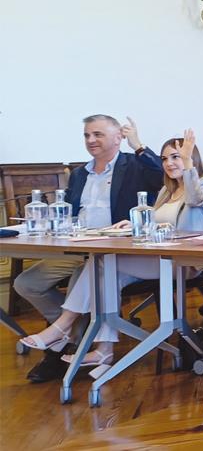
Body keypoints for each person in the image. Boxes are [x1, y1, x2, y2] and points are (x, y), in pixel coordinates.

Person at [20, 131, 203, 368]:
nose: (169, 163)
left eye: (176, 157)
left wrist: (187, 164)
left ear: (191, 158)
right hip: (157, 256)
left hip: (183, 261)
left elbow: (195, 200)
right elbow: (155, 222)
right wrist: (133, 224)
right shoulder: (167, 190)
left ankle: (63, 326)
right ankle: (104, 350)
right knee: (104, 273)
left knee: (103, 263)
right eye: (165, 159)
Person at [13, 114, 163, 383]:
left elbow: (162, 177)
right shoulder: (80, 173)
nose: (91, 140)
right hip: (77, 247)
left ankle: (62, 342)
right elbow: (70, 213)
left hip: (115, 250)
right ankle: (74, 333)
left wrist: (139, 145)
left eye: (98, 134)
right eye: (87, 135)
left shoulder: (134, 166)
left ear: (118, 138)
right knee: (27, 283)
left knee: (82, 280)